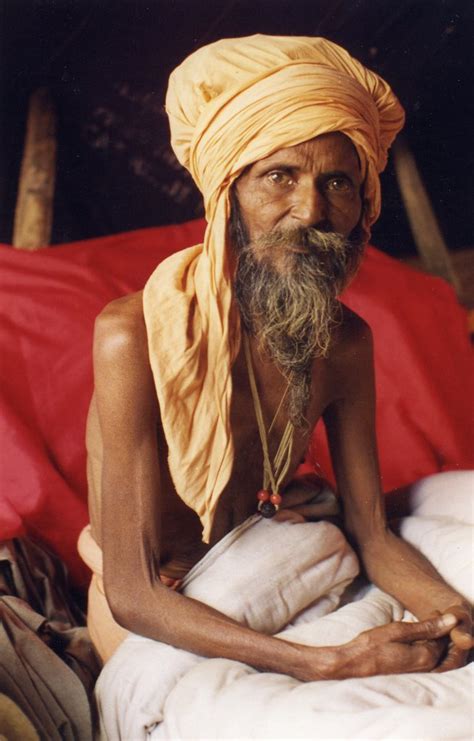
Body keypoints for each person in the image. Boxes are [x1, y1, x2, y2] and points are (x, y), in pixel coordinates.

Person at [79, 35, 472, 683]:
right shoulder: (134, 334)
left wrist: (453, 615)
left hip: (284, 560)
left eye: (337, 182)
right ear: (228, 193)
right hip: (170, 604)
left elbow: (372, 533)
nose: (311, 210)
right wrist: (327, 662)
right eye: (279, 177)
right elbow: (133, 592)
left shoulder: (346, 340)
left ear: (361, 206)